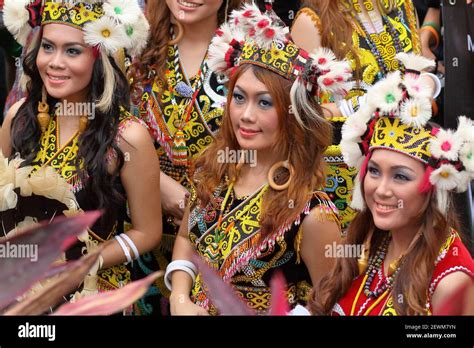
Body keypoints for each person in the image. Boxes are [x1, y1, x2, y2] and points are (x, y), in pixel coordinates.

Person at [166, 2, 353, 315]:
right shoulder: (213, 169)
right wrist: (180, 297)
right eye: (239, 98)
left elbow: (330, 304)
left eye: (264, 103)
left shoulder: (312, 213)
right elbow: (186, 237)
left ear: (294, 116)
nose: (246, 115)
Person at [0, 0, 162, 300]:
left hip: (90, 294)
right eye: (48, 47)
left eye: (72, 51)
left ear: (100, 58)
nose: (55, 62)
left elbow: (148, 231)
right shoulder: (19, 117)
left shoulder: (128, 137)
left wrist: (82, 264)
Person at [310, 53, 474, 315]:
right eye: (374, 171)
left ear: (433, 186)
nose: (382, 190)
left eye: (400, 176)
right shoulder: (369, 240)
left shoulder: (451, 281)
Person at [128, 0, 242, 315]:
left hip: (217, 234)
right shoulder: (135, 45)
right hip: (139, 237)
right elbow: (105, 130)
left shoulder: (250, 54)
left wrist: (193, 204)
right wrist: (157, 183)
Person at [291, 0, 441, 230]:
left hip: (404, 174)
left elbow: (416, 72)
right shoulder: (311, 21)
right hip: (346, 186)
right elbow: (303, 113)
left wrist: (430, 83)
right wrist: (363, 103)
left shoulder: (401, 5)